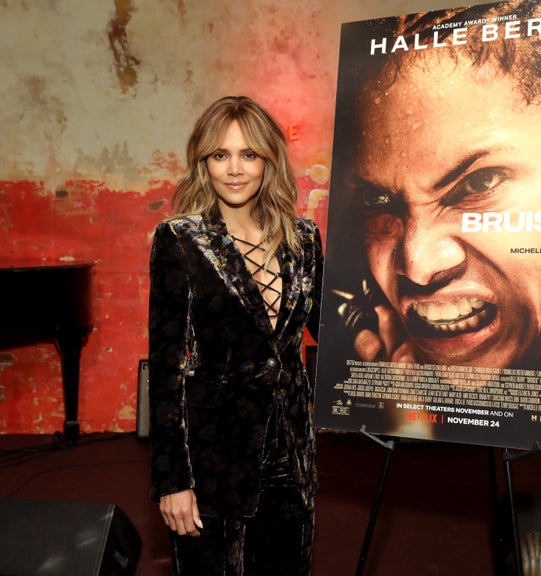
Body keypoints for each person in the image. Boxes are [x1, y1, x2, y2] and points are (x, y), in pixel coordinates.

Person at [319, 0, 541, 456]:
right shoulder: (379, 351)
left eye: (480, 182)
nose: (419, 265)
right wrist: (413, 421)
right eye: (377, 201)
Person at [148, 96, 323, 575]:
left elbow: (333, 332)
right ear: (203, 162)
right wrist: (172, 480)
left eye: (249, 154)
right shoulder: (181, 239)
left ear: (269, 160)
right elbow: (165, 367)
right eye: (220, 155)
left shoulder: (304, 240)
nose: (234, 169)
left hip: (291, 452)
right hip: (212, 458)